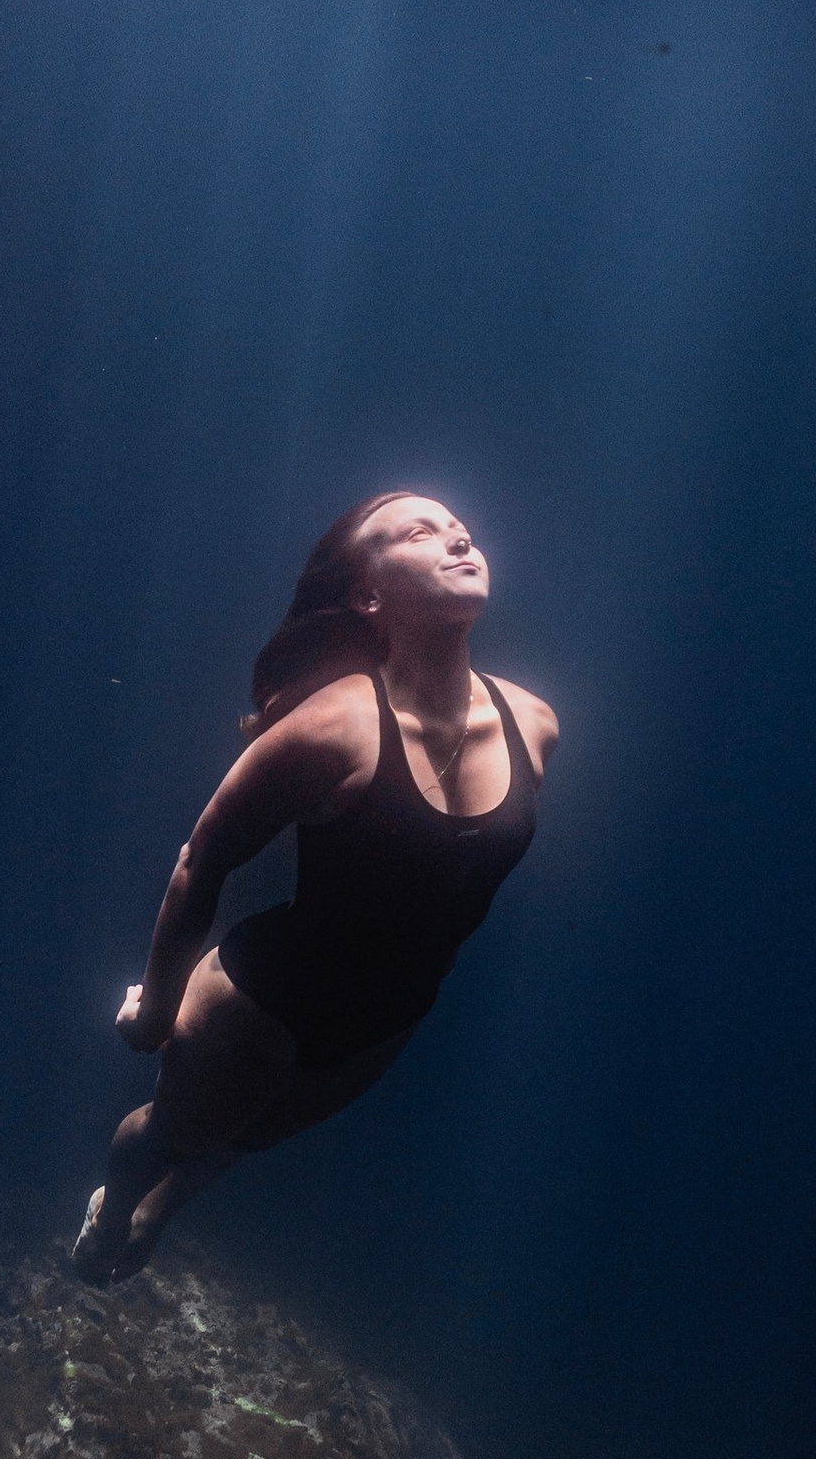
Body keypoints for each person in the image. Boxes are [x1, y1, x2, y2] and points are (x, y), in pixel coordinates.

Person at [70, 489, 556, 1280]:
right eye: (421, 532)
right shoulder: (332, 728)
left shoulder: (534, 722)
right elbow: (203, 859)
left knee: (248, 1140)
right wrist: (157, 1007)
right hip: (261, 1007)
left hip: (388, 1020)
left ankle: (157, 1215)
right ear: (368, 595)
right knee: (173, 1133)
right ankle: (117, 1209)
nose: (457, 540)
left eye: (462, 529)